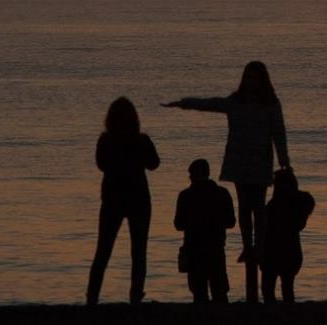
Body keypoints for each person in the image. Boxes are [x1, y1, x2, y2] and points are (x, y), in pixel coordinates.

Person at [164, 62, 291, 304]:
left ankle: (259, 247)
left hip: (260, 162)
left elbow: (279, 133)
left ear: (262, 80)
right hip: (239, 162)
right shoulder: (235, 102)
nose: (252, 82)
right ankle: (248, 246)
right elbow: (210, 104)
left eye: (256, 78)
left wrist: (284, 161)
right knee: (244, 206)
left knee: (258, 207)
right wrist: (184, 103)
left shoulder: (271, 105)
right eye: (249, 77)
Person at [86, 96, 160, 306]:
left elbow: (101, 164)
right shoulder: (141, 140)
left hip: (113, 198)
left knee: (103, 250)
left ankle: (92, 296)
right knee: (139, 251)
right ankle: (135, 296)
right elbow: (154, 163)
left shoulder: (106, 140)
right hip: (139, 199)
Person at [173, 158, 236, 304]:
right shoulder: (222, 193)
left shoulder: (185, 196)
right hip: (216, 249)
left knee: (199, 294)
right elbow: (231, 222)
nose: (190, 178)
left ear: (194, 175)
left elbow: (178, 224)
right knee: (219, 294)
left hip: (195, 250)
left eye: (191, 175)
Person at [257, 167, 315, 306]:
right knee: (282, 288)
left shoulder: (280, 204)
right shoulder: (293, 202)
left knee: (275, 288)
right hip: (284, 251)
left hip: (278, 251)